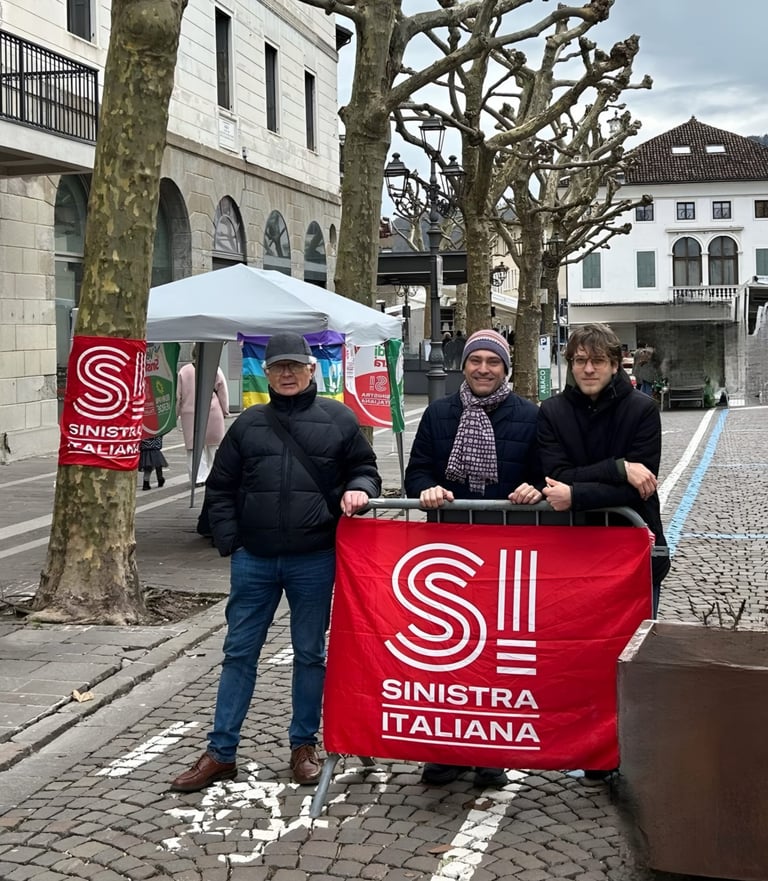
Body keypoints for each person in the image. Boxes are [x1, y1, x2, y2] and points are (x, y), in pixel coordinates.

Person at [169, 331, 381, 792]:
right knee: (239, 654)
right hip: (255, 560)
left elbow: (366, 470)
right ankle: (221, 752)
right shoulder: (248, 424)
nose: (287, 374)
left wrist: (359, 488)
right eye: (278, 367)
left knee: (310, 654)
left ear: (311, 370)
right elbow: (220, 487)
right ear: (265, 374)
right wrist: (233, 542)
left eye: (295, 366)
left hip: (315, 558)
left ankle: (303, 745)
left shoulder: (339, 419)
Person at [404, 328, 543, 789]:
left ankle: (491, 752)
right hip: (448, 556)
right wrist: (426, 488)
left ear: (506, 368)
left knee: (499, 655)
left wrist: (535, 489)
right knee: (447, 658)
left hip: (507, 556)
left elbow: (548, 475)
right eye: (475, 361)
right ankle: (445, 750)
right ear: (463, 366)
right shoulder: (438, 414)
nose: (483, 369)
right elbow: (417, 471)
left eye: (493, 362)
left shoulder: (530, 417)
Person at [538, 324, 670, 783]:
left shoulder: (642, 410)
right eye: (580, 360)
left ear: (615, 364)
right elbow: (555, 476)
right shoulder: (552, 412)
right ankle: (594, 749)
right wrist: (617, 469)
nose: (588, 369)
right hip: (576, 554)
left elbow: (641, 486)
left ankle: (633, 748)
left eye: (597, 360)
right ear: (570, 364)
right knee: (582, 656)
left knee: (632, 655)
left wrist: (578, 492)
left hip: (634, 551)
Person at [176, 345, 230, 486]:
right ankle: (214, 474)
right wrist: (225, 410)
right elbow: (223, 392)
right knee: (214, 446)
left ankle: (198, 477)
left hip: (189, 414)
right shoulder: (215, 369)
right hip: (212, 411)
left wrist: (176, 414)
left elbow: (178, 396)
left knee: (193, 448)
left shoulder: (183, 371)